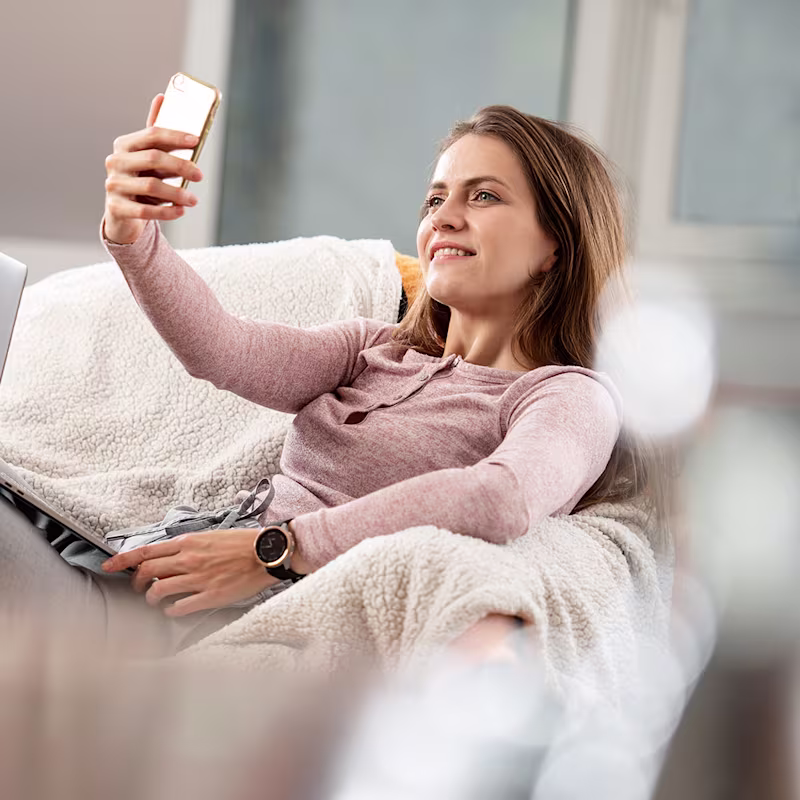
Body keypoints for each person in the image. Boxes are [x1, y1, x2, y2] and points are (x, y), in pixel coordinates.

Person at [1, 96, 647, 659]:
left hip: (176, 620)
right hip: (134, 557)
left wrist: (274, 551)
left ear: (555, 244)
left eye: (483, 195)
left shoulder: (569, 395)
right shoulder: (376, 347)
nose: (443, 218)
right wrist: (132, 235)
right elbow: (223, 351)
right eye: (434, 198)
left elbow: (500, 499)